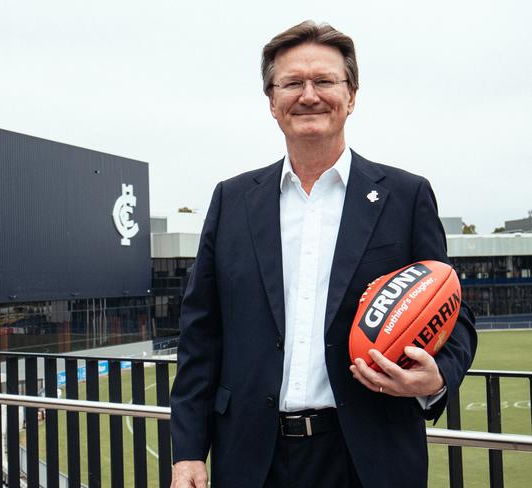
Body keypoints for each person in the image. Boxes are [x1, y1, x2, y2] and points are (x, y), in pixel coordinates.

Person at [169, 20, 477, 488]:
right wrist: (188, 453)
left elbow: (454, 312)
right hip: (251, 458)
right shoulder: (232, 200)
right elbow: (201, 334)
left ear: (351, 96)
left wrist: (436, 380)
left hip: (369, 457)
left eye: (325, 81)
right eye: (292, 83)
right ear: (272, 101)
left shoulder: (405, 195)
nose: (308, 95)